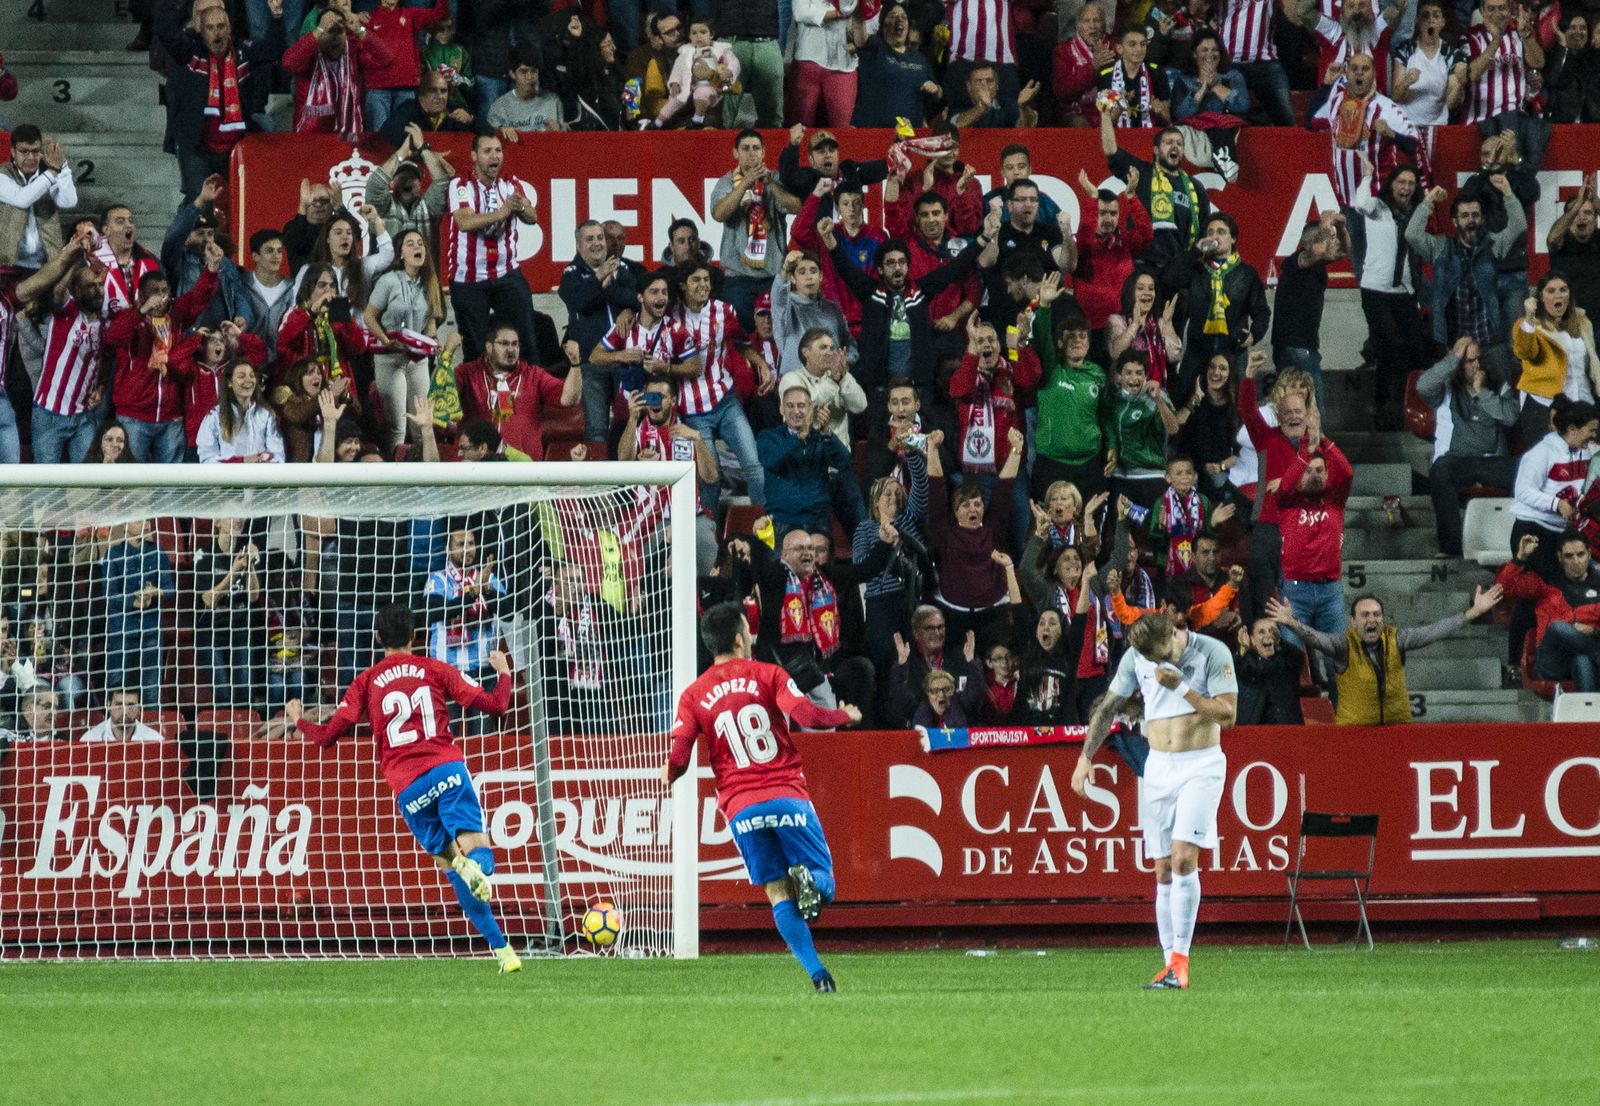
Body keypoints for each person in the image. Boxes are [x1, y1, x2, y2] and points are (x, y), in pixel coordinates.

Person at [287, 602, 522, 974]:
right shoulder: (435, 668)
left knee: (451, 865)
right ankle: (476, 870)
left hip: (408, 787)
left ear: (377, 637)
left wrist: (299, 720)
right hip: (446, 769)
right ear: (415, 636)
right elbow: (496, 705)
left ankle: (503, 951)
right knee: (479, 853)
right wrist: (504, 673)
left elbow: (329, 736)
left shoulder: (365, 682)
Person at [664, 601, 859, 991]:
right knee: (825, 881)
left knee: (776, 891)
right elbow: (808, 717)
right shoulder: (769, 674)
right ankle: (811, 880)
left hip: (741, 807)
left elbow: (680, 758)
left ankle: (818, 975)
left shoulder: (693, 694)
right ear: (739, 638)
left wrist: (667, 775)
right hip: (786, 794)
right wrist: (846, 715)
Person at [1075, 611, 1237, 990]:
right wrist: (1085, 757)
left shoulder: (1212, 652)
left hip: (1201, 764)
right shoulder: (1138, 657)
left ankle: (1181, 961)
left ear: (1176, 631)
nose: (1163, 662)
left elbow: (1228, 716)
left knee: (1183, 859)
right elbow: (1108, 707)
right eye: (1154, 659)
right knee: (1162, 869)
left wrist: (1182, 688)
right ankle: (1169, 966)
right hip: (1159, 766)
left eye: (1166, 653)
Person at [1269, 586, 1502, 725]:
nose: (1372, 619)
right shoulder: (1343, 645)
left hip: (1397, 731)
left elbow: (1433, 631)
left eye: (1376, 614)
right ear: (1352, 622)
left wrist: (1473, 612)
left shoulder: (1397, 639)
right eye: (1365, 615)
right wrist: (1291, 623)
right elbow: (1315, 638)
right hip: (1354, 735)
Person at [153, 0, 284, 200]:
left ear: (229, 28)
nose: (217, 33)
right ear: (200, 30)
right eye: (210, 28)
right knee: (198, 204)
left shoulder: (243, 52)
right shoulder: (189, 53)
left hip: (235, 148)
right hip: (198, 149)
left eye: (221, 26)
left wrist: (276, 18)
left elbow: (272, 50)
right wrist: (176, 5)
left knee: (238, 204)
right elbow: (165, 30)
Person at [675, 258, 770, 509]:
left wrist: (760, 363)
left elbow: (741, 342)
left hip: (725, 402)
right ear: (683, 285)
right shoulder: (671, 315)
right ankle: (711, 532)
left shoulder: (724, 311)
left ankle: (765, 530)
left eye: (706, 279)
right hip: (692, 411)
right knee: (711, 478)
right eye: (696, 280)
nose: (703, 284)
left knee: (755, 468)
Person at [106, 259, 221, 463]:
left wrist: (211, 270)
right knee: (131, 478)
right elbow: (113, 337)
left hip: (171, 417)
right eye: (155, 291)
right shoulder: (129, 318)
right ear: (141, 296)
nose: (161, 296)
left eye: (164, 291)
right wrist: (141, 311)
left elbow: (197, 299)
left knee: (171, 480)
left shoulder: (175, 315)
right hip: (134, 417)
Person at [1418, 338, 1520, 560]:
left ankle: (1520, 545)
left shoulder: (1496, 384)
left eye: (1478, 359)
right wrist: (1452, 358)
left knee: (1527, 469)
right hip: (1455, 460)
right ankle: (1452, 547)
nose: (1476, 365)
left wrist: (1482, 391)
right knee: (1440, 471)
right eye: (1469, 361)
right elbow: (1422, 386)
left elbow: (1511, 416)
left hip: (1490, 460)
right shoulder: (1445, 387)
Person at [443, 133, 540, 363]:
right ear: (474, 156)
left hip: (507, 273)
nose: (494, 156)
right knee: (476, 349)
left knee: (525, 340)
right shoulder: (461, 184)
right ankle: (481, 386)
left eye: (498, 150)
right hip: (469, 278)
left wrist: (521, 207)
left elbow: (532, 217)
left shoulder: (510, 183)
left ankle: (530, 384)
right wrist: (502, 212)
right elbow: (465, 222)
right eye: (487, 151)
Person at [1406, 179, 1527, 350]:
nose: (1471, 220)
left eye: (1475, 215)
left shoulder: (1493, 245)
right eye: (1464, 216)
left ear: (1482, 219)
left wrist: (1508, 193)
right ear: (1455, 222)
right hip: (1451, 344)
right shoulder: (1440, 247)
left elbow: (1519, 226)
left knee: (1508, 364)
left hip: (1488, 340)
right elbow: (1412, 234)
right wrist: (1428, 201)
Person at [18, 228, 106, 464]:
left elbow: (104, 360)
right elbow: (58, 291)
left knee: (86, 480)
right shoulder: (67, 312)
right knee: (46, 481)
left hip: (84, 415)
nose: (98, 291)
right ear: (77, 291)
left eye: (100, 285)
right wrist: (76, 258)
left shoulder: (105, 322)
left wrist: (101, 386)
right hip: (49, 413)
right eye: (91, 286)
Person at [1352, 158, 1425, 428]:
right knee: (1388, 346)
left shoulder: (1416, 212)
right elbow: (1360, 204)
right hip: (1375, 290)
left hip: (1403, 291)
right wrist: (1367, 177)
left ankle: (1412, 407)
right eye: (1401, 182)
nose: (1405, 187)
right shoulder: (1378, 208)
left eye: (1411, 183)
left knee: (1417, 348)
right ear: (1391, 185)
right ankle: (1382, 407)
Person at [1168, 211, 1269, 395]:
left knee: (1234, 406)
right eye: (1210, 232)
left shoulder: (1247, 274)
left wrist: (1254, 335)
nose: (1214, 236)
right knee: (1187, 403)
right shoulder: (1196, 270)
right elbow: (1170, 279)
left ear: (1233, 239)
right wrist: (1195, 252)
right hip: (1197, 354)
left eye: (1221, 232)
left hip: (1233, 354)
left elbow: (1262, 312)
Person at [454, 320, 582, 460]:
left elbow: (570, 399)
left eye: (515, 344)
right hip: (476, 466)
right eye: (504, 344)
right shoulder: (468, 373)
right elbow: (442, 395)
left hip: (523, 467)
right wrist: (447, 355)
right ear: (489, 347)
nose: (511, 349)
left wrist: (575, 363)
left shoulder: (534, 375)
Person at [1101, 109, 1211, 273]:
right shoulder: (1142, 172)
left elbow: (1204, 232)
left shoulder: (1196, 188)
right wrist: (1105, 114)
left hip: (1177, 269)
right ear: (1156, 150)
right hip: (1142, 266)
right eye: (1169, 142)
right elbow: (1111, 150)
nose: (1175, 146)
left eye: (1179, 144)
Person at [710, 129, 801, 327]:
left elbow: (796, 207)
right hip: (738, 279)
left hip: (773, 276)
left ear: (763, 153)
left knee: (778, 333)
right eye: (745, 148)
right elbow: (719, 214)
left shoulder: (775, 178)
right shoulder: (726, 182)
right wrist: (744, 184)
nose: (751, 153)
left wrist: (771, 185)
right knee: (739, 334)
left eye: (756, 148)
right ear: (735, 153)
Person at [364, 230, 445, 451]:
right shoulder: (388, 281)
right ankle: (394, 469)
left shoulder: (430, 283)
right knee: (397, 427)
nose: (417, 247)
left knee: (421, 425)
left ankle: (424, 468)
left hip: (417, 361)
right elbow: (369, 316)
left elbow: (430, 323)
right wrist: (385, 340)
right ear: (400, 254)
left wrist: (433, 342)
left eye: (420, 243)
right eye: (410, 244)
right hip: (390, 358)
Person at [1497, 531, 1600, 691]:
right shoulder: (1546, 582)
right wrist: (1520, 557)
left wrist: (1594, 631)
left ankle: (1588, 707)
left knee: (1582, 660)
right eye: (1569, 556)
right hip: (1552, 661)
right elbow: (1505, 587)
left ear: (1589, 554)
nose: (1576, 561)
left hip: (1585, 660)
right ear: (1560, 557)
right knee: (1558, 627)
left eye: (1580, 554)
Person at [1270, 212, 1349, 410]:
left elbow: (1344, 250)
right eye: (1328, 239)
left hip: (1304, 347)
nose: (1333, 242)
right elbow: (1318, 252)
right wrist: (1326, 224)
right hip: (1294, 348)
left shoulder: (1318, 266)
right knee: (1311, 411)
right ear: (1308, 244)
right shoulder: (1296, 262)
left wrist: (1340, 227)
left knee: (1306, 410)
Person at [1513, 271, 1600, 449]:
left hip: (1583, 403)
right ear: (1540, 297)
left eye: (1563, 290)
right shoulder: (1529, 325)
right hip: (1545, 407)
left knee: (1588, 461)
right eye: (1551, 291)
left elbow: (1592, 362)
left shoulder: (1582, 322)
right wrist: (1529, 318)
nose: (1558, 295)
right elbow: (1525, 352)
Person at [758, 386, 863, 533]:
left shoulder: (820, 437)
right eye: (790, 406)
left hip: (817, 520)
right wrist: (799, 437)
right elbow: (770, 461)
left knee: (847, 481)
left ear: (810, 409)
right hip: (782, 521)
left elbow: (844, 462)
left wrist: (826, 432)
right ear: (781, 409)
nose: (796, 411)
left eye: (801, 405)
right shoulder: (769, 437)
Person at [283, 6, 393, 140]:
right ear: (319, 33)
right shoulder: (309, 54)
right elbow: (288, 62)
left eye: (340, 31)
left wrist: (359, 30)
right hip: (310, 136)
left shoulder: (353, 52)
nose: (334, 38)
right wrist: (317, 32)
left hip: (348, 135)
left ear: (346, 34)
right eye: (329, 31)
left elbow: (386, 57)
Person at [101, 521, 175, 709]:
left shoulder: (157, 551)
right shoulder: (113, 554)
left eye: (147, 520)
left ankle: (150, 725)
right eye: (139, 520)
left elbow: (170, 589)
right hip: (121, 631)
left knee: (151, 690)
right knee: (117, 687)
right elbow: (110, 593)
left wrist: (155, 592)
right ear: (125, 525)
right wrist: (135, 602)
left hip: (150, 630)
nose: (145, 524)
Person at [193, 518, 264, 710]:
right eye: (231, 515)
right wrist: (233, 572)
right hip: (210, 632)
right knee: (223, 693)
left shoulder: (248, 552)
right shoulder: (203, 555)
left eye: (240, 516)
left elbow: (254, 596)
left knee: (246, 692)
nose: (238, 519)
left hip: (239, 630)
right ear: (218, 522)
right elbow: (208, 600)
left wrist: (250, 564)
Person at [362, 0, 449, 134]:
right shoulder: (368, 19)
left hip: (406, 87)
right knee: (379, 138)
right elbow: (363, 54)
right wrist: (385, 61)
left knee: (406, 138)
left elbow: (439, 14)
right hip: (378, 88)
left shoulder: (410, 14)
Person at [364, 127, 456, 249]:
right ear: (391, 183)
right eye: (402, 177)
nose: (407, 181)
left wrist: (423, 148)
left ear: (420, 186)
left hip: (423, 262)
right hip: (389, 262)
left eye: (413, 177)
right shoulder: (381, 208)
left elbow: (442, 182)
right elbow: (376, 184)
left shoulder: (429, 207)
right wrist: (402, 152)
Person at [0, 127, 75, 276]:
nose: (31, 157)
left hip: (45, 263)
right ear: (13, 152)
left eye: (35, 151)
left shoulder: (48, 171)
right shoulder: (3, 174)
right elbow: (22, 199)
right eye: (24, 151)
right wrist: (53, 172)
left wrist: (63, 166)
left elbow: (68, 202)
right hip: (8, 263)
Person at [852, 2, 940, 128]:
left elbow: (938, 93)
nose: (899, 19)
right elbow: (859, 34)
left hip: (910, 133)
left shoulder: (920, 58)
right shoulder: (875, 47)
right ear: (883, 24)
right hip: (874, 131)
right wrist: (858, 11)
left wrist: (936, 89)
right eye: (893, 16)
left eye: (904, 17)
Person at [1215, 0, 1294, 125]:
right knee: (1222, 119)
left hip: (1265, 62)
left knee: (1287, 120)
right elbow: (1196, 8)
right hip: (1228, 62)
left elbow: (1294, 16)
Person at [198, 360, 285, 463]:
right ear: (229, 382)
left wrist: (267, 461)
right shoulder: (214, 416)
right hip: (229, 474)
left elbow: (278, 454)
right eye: (241, 376)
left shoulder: (266, 415)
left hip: (260, 473)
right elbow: (207, 459)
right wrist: (242, 461)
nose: (248, 380)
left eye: (252, 376)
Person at [376, 69, 482, 149]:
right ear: (421, 94)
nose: (439, 96)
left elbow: (487, 135)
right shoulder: (409, 108)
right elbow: (388, 130)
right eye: (433, 90)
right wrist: (423, 149)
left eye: (443, 91)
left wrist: (471, 120)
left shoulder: (455, 109)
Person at [1234, 617, 1305, 725]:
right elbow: (1238, 670)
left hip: (1287, 730)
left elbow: (1298, 657)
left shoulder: (1287, 662)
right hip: (1255, 731)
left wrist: (1281, 642)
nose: (1268, 635)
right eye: (1261, 632)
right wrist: (1243, 648)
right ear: (1252, 639)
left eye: (1272, 631)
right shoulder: (1246, 663)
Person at [1548, 180, 1600, 326]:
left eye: (1587, 212)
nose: (1581, 217)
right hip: (1566, 322)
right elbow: (1552, 239)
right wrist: (1576, 206)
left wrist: (1598, 203)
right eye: (1576, 213)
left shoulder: (1598, 238)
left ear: (1596, 219)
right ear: (1568, 219)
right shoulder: (1561, 241)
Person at [96, 203, 161, 316]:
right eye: (120, 221)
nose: (128, 225)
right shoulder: (92, 262)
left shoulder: (150, 260)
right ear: (106, 230)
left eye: (131, 221)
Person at [488, 45, 566, 137]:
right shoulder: (499, 107)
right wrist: (502, 132)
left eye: (533, 71)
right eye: (523, 72)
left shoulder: (553, 101)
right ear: (512, 74)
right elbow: (490, 141)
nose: (529, 77)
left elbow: (563, 138)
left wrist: (559, 130)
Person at [958, 60, 1042, 128]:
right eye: (978, 81)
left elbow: (1025, 130)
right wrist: (982, 107)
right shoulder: (959, 107)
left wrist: (1022, 106)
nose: (985, 86)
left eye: (989, 81)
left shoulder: (1009, 106)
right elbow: (956, 126)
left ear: (997, 85)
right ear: (969, 86)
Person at [79, 687, 165, 743]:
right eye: (119, 705)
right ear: (108, 705)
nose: (125, 711)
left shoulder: (155, 740)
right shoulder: (90, 739)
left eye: (130, 705)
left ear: (139, 708)